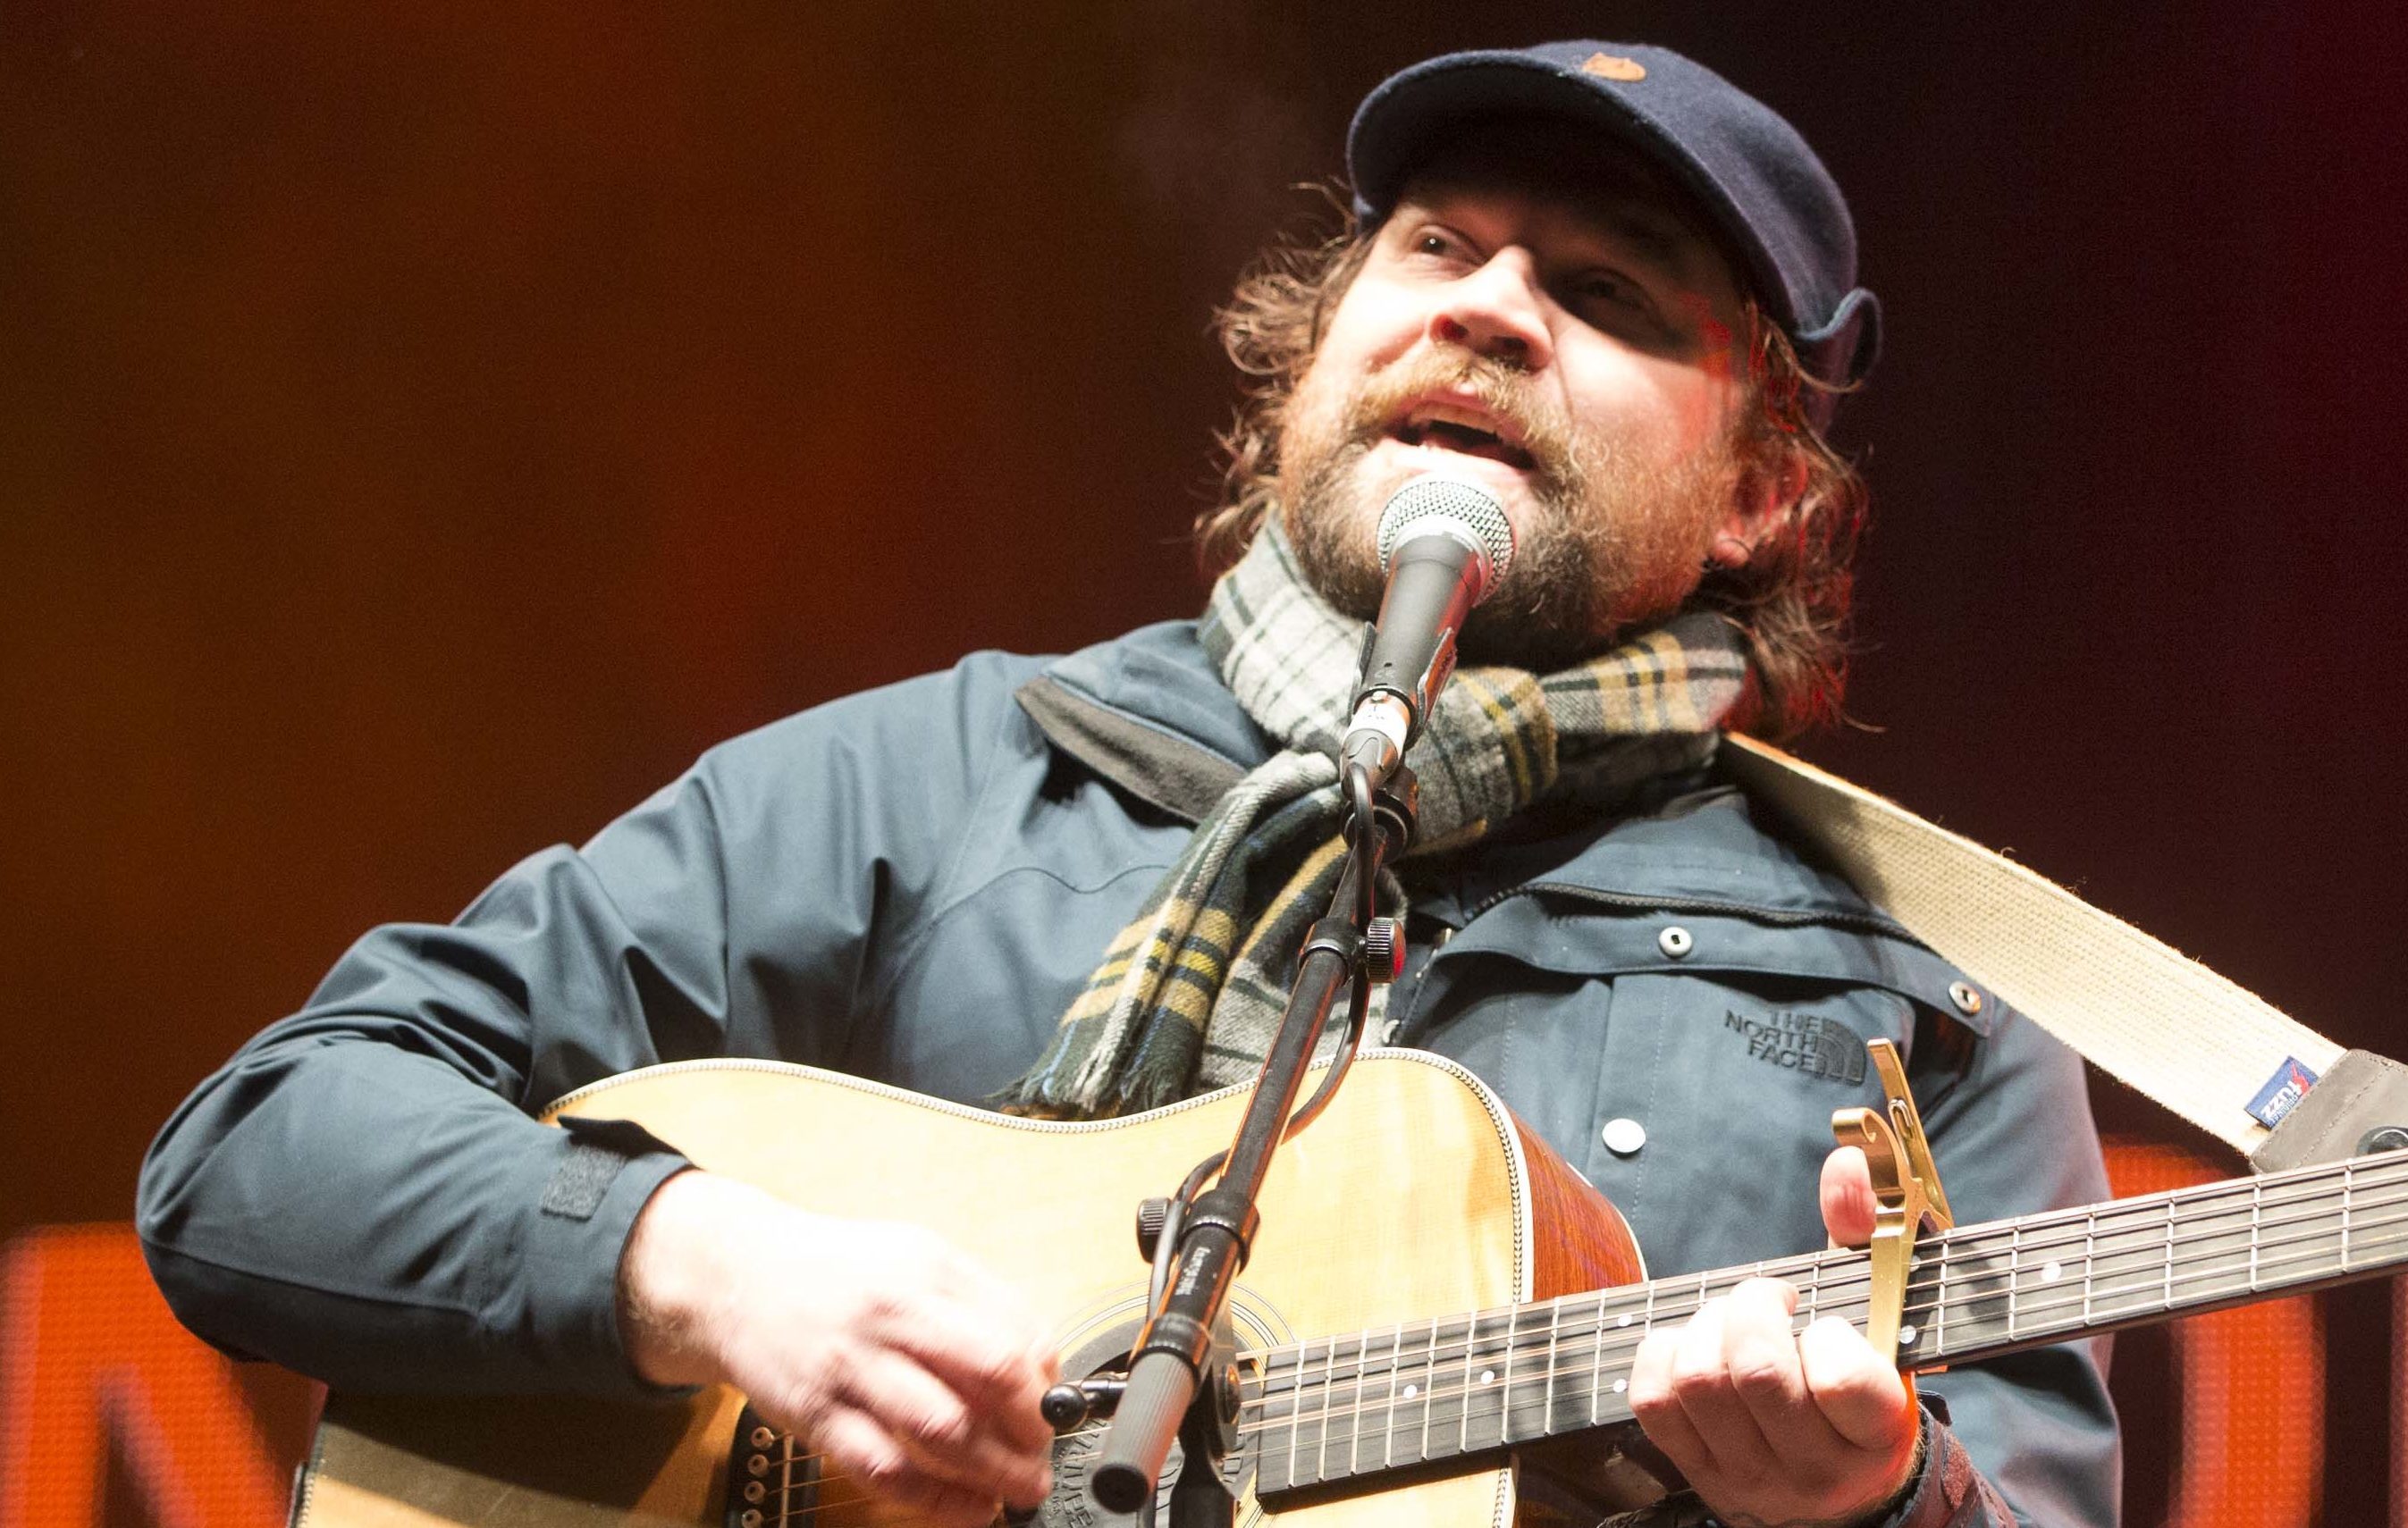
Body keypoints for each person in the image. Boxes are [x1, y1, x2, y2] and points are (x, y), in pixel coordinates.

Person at [138, 39, 2118, 1528]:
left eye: (1605, 295)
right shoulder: (943, 780)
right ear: (1314, 355)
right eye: (1435, 245)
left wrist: (1880, 1505)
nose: (1489, 305)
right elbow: (258, 1153)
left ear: (1765, 488)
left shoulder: (1921, 982)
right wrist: (705, 1272)